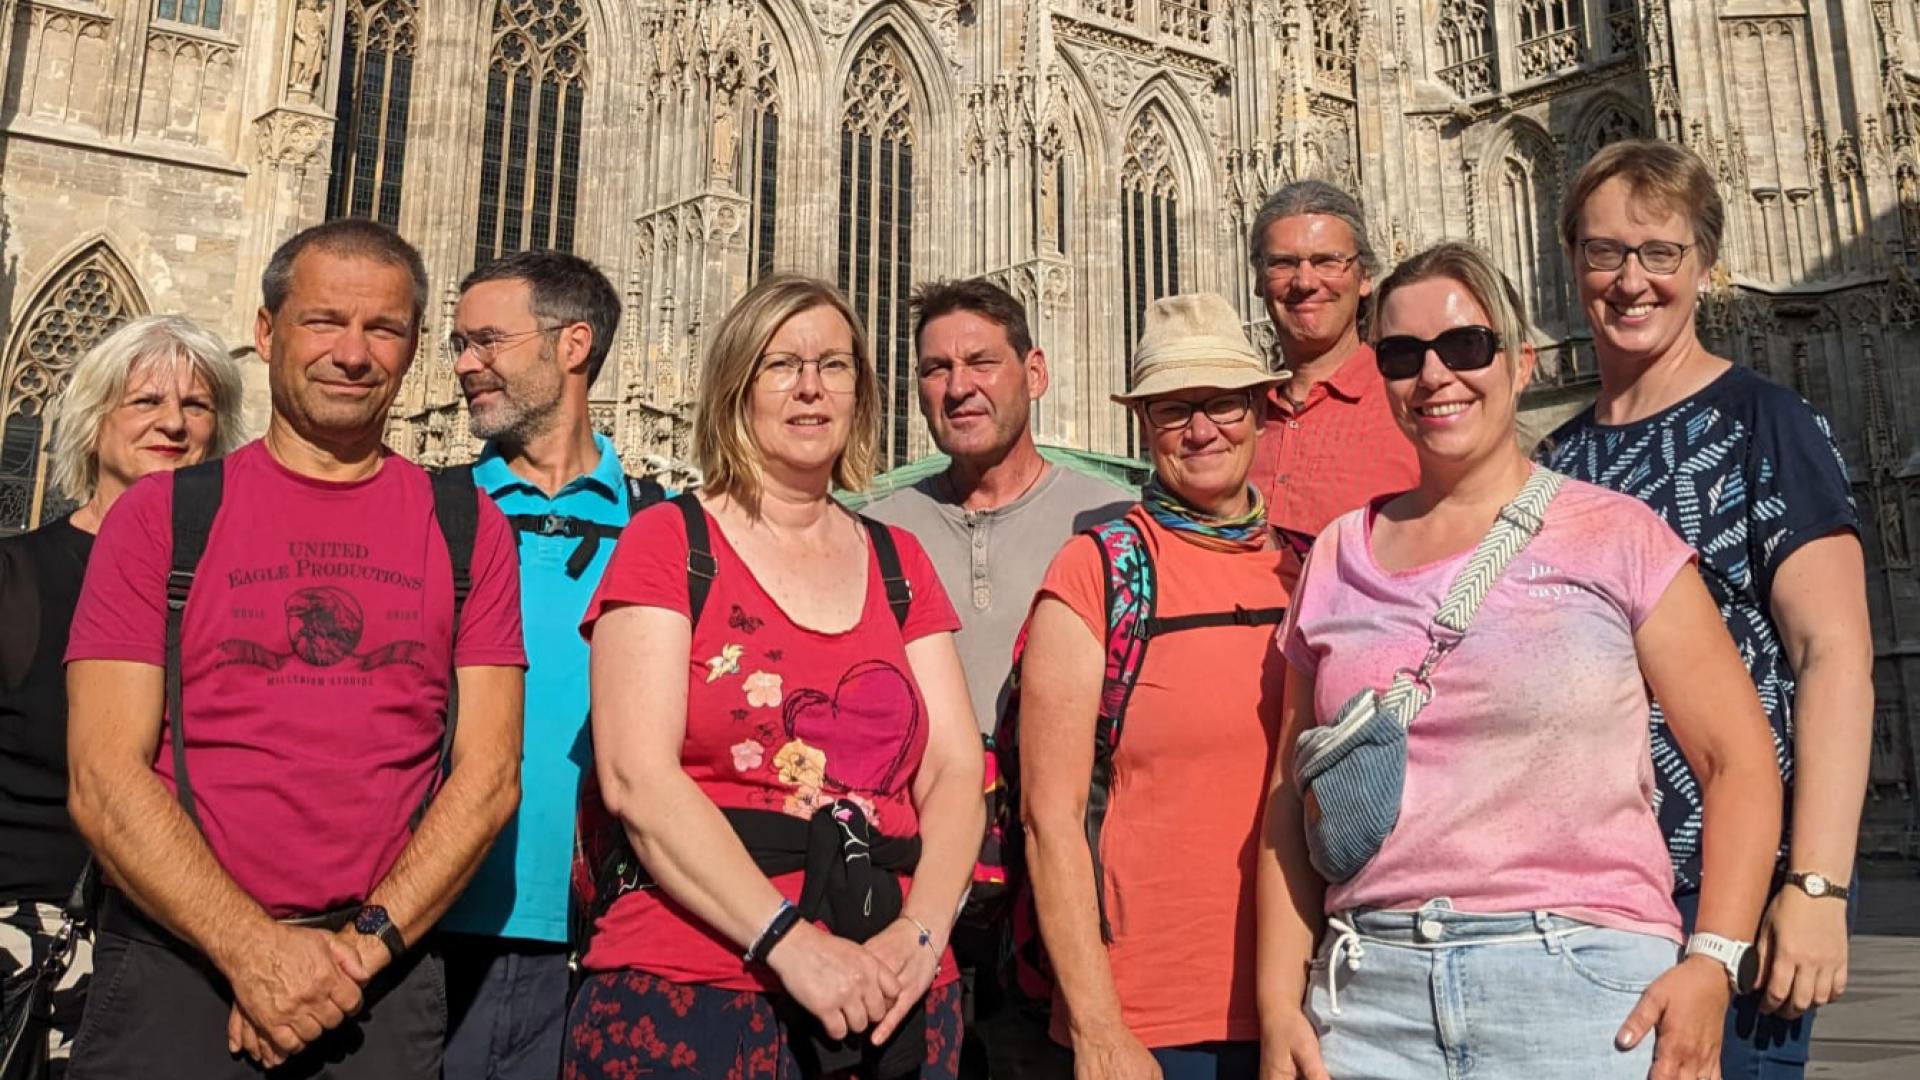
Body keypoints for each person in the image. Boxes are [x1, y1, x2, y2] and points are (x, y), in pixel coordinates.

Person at [1258, 241, 1783, 1080]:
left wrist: (1713, 961)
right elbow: (1293, 798)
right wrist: (1278, 1006)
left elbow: (1737, 758)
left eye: (1466, 347)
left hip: (1582, 990)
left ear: (1522, 361)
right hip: (1371, 1000)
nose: (1435, 376)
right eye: (1401, 355)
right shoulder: (1336, 555)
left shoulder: (1617, 533)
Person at [63, 219, 528, 1080]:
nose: (352, 354)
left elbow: (490, 777)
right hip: (177, 961)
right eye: (323, 322)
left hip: (374, 979)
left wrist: (351, 956)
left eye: (382, 329)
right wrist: (252, 952)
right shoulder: (161, 516)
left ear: (413, 348)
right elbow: (102, 777)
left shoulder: (468, 528)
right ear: (268, 333)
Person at [567, 274, 983, 1079]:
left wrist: (920, 936)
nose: (809, 388)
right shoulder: (668, 543)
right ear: (735, 388)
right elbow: (636, 780)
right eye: (780, 364)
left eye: (834, 366)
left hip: (894, 989)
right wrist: (789, 944)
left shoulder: (898, 561)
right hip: (700, 986)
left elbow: (957, 770)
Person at [1541, 138, 1875, 1079]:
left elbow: (1833, 655)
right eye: (1606, 252)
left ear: (1703, 266)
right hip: (1588, 897)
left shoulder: (1765, 423)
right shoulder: (1553, 465)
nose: (1631, 280)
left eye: (1661, 253)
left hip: (1732, 890)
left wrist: (1815, 884)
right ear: (1573, 263)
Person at [1019, 293, 1292, 1080]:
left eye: (1221, 406)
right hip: (1152, 1018)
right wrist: (1101, 1027)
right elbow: (1051, 817)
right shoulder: (1099, 569)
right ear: (1144, 424)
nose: (1201, 430)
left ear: (1259, 411)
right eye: (1175, 410)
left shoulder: (1311, 567)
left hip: (1308, 1004)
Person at [864, 279, 1127, 1079]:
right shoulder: (874, 529)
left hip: (1061, 898)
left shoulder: (1112, 522)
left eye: (982, 361)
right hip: (908, 900)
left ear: (1036, 373)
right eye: (937, 368)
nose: (959, 386)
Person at [1, 315, 244, 1078]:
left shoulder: (241, 591)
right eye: (144, 402)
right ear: (93, 419)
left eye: (197, 407)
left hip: (189, 952)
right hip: (30, 950)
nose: (173, 422)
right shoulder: (16, 580)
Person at [438, 250, 660, 1080]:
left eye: (487, 340)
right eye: (459, 344)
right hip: (433, 924)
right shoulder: (431, 508)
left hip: (606, 934)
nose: (464, 364)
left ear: (574, 346)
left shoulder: (664, 526)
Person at [1244, 181, 1420, 561]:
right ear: (1258, 280)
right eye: (1282, 263)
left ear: (1365, 277)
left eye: (1327, 261)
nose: (1305, 282)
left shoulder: (1414, 403)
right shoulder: (1232, 419)